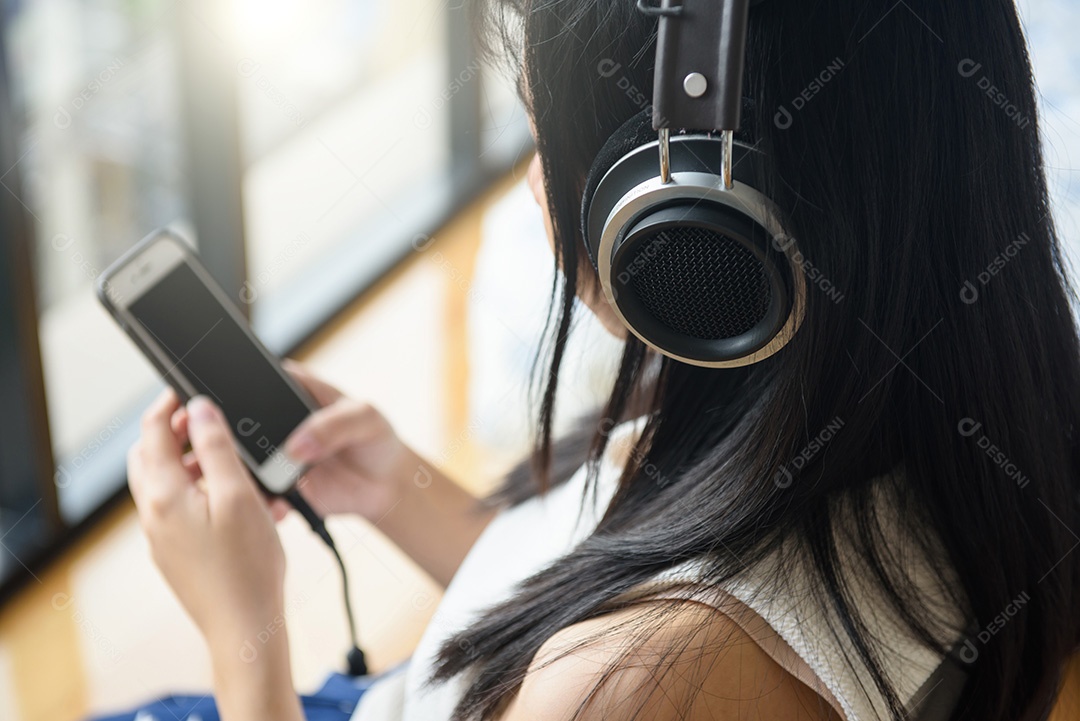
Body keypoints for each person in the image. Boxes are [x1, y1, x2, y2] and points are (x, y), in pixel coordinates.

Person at [106, 0, 1080, 720]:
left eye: (545, 141)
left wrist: (245, 629)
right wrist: (396, 488)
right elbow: (604, 571)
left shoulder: (626, 690)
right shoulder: (924, 401)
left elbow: (618, 640)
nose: (536, 186)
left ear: (691, 232)